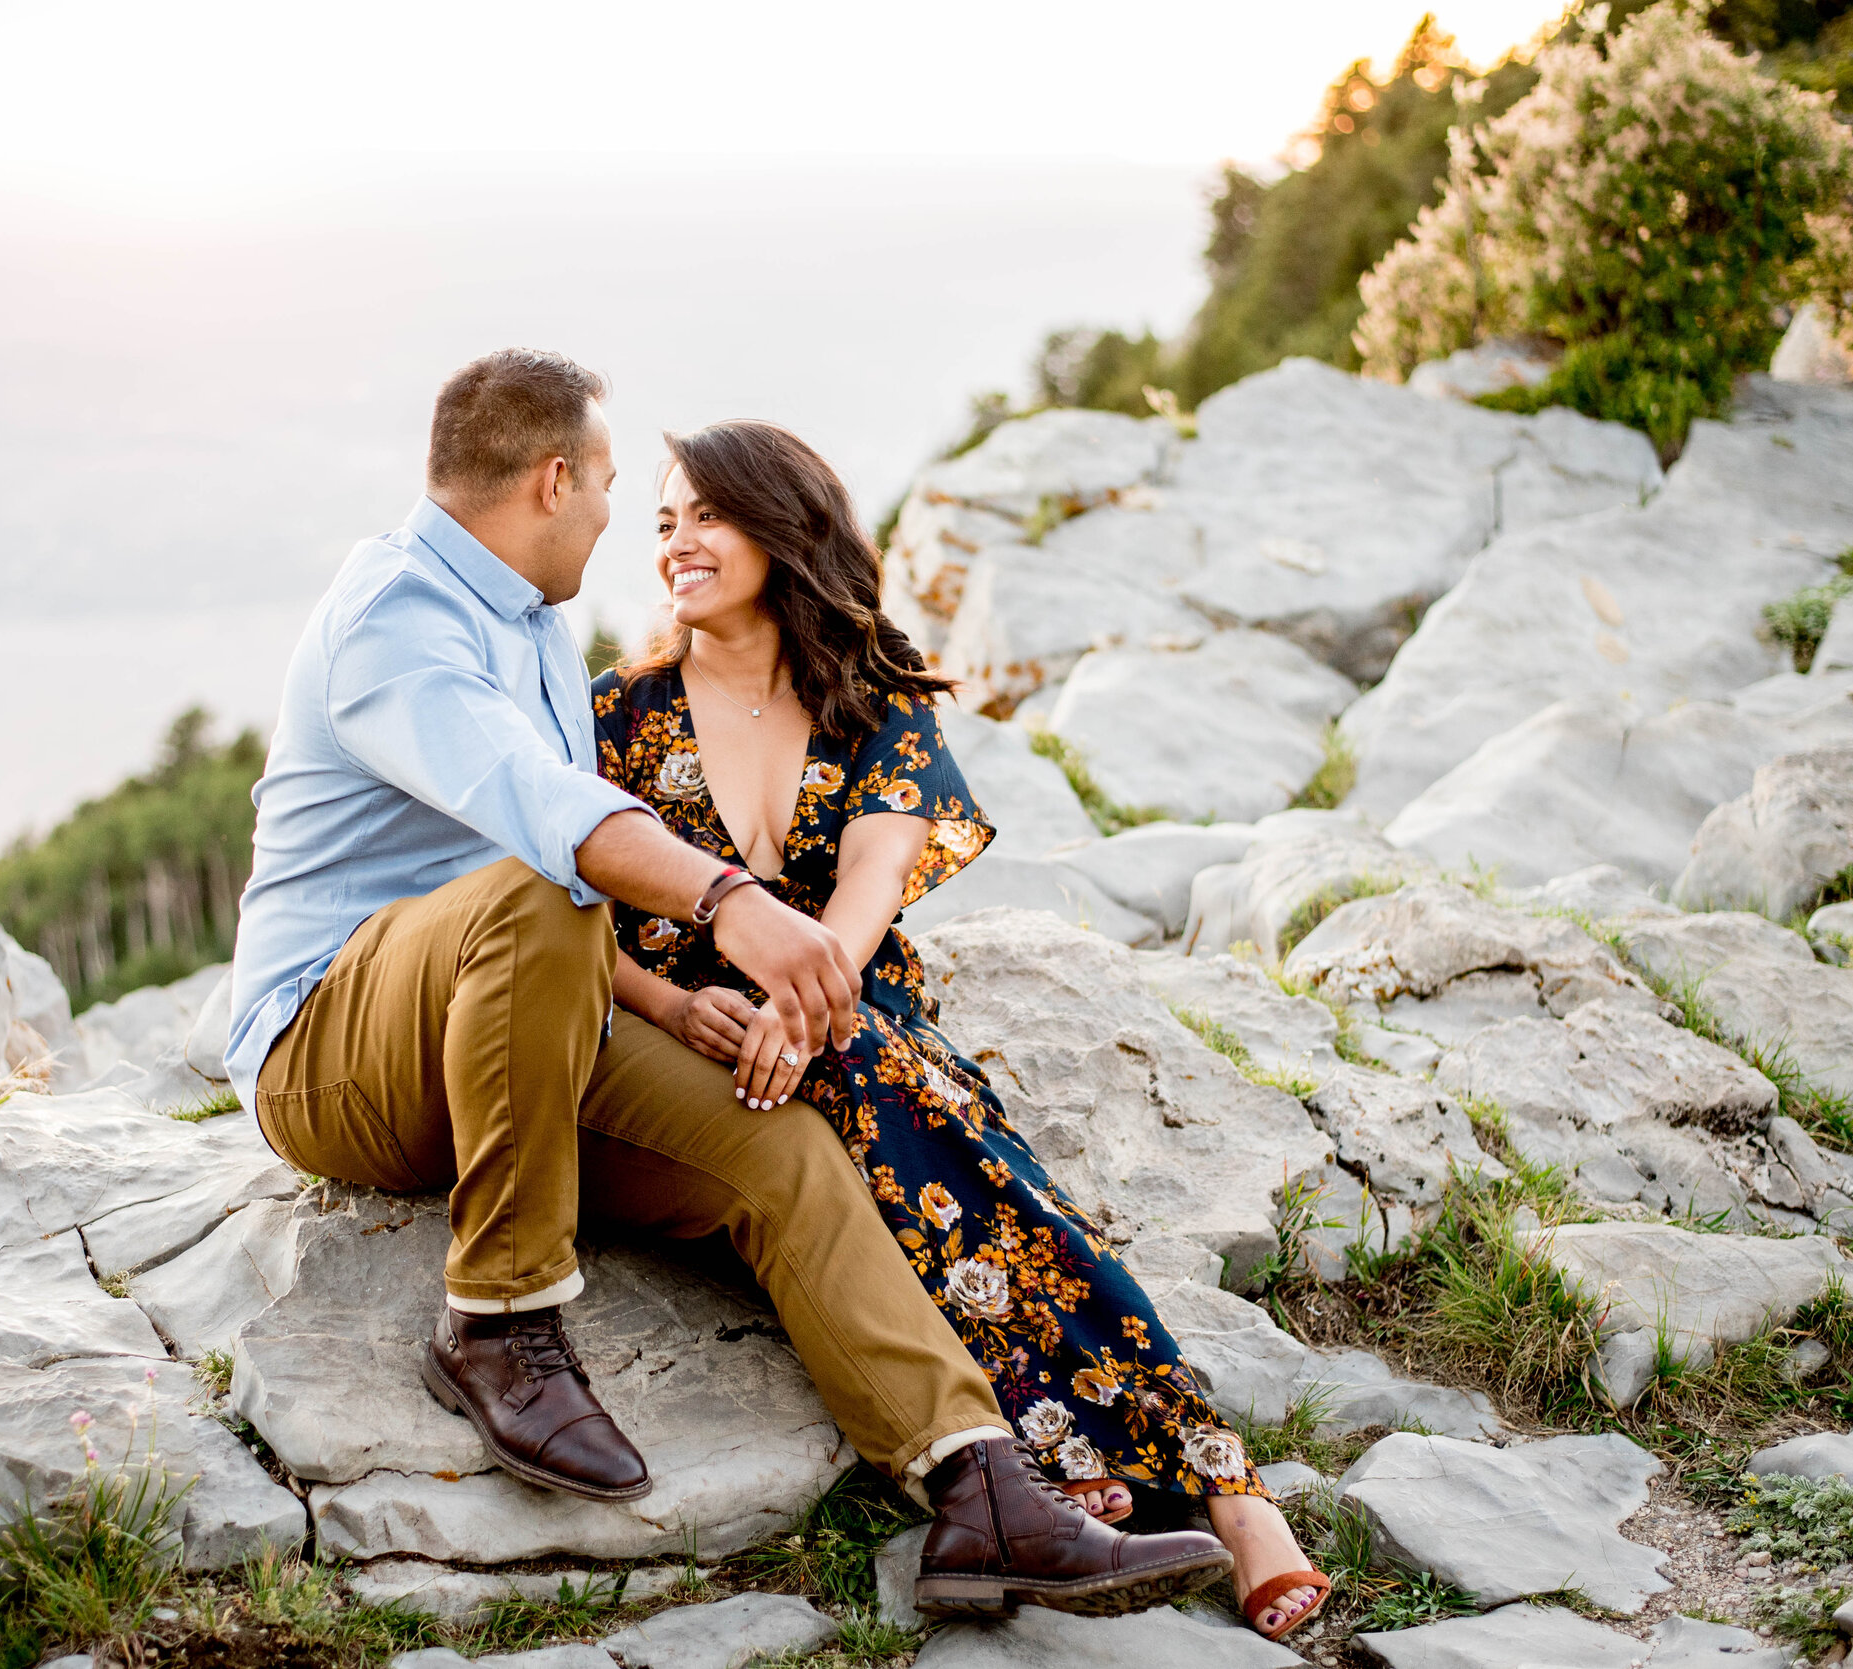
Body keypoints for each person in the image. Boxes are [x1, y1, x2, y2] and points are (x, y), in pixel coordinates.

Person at [224, 349, 1233, 1619]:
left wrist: (687, 992)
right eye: (608, 492)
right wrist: (729, 901)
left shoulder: (534, 625)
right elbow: (544, 817)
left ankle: (975, 1488)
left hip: (519, 1036)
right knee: (540, 881)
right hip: (333, 1055)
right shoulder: (395, 618)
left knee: (780, 1148)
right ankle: (499, 1317)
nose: (620, 526)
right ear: (551, 480)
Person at [588, 419, 1332, 1643]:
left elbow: (871, 885)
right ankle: (1209, 1485)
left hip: (849, 1025)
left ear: (784, 525)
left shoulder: (866, 691)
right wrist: (676, 1003)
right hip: (680, 1032)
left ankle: (1135, 1484)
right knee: (907, 1106)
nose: (675, 542)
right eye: (662, 520)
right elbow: (560, 920)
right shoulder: (614, 713)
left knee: (879, 1076)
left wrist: (800, 998)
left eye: (704, 514)